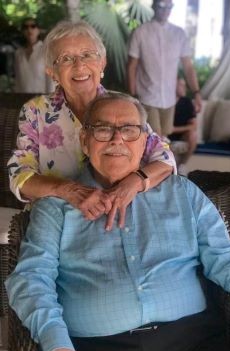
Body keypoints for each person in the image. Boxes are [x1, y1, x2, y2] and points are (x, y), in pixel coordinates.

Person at [6, 92, 230, 351]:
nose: (116, 140)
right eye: (103, 129)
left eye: (129, 130)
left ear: (145, 140)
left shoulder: (183, 193)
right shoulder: (55, 208)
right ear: (84, 139)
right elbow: (30, 279)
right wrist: (59, 349)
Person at [8, 20, 175, 230]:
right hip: (56, 223)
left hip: (119, 218)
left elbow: (166, 159)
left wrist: (132, 183)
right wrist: (68, 190)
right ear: (52, 72)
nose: (79, 66)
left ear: (102, 63)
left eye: (87, 55)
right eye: (66, 58)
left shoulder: (124, 105)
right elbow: (19, 176)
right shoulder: (35, 111)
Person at [127, 0, 202, 138]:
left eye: (170, 6)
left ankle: (163, 160)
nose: (166, 9)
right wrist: (133, 95)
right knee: (155, 138)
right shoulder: (140, 32)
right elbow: (132, 65)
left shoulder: (179, 34)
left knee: (165, 139)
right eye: (162, 5)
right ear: (154, 5)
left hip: (169, 99)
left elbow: (188, 67)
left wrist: (196, 92)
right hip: (147, 96)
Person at [14, 17, 55, 93]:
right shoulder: (18, 53)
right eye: (26, 27)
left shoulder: (46, 50)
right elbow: (18, 80)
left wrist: (49, 100)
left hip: (41, 98)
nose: (29, 29)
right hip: (21, 98)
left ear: (38, 30)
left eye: (33, 26)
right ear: (22, 31)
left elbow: (51, 79)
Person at [168, 77, 198, 172]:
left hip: (181, 135)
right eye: (181, 85)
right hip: (163, 133)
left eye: (185, 85)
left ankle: (182, 165)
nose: (184, 87)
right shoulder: (164, 101)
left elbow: (194, 126)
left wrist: (174, 129)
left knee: (193, 135)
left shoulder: (187, 102)